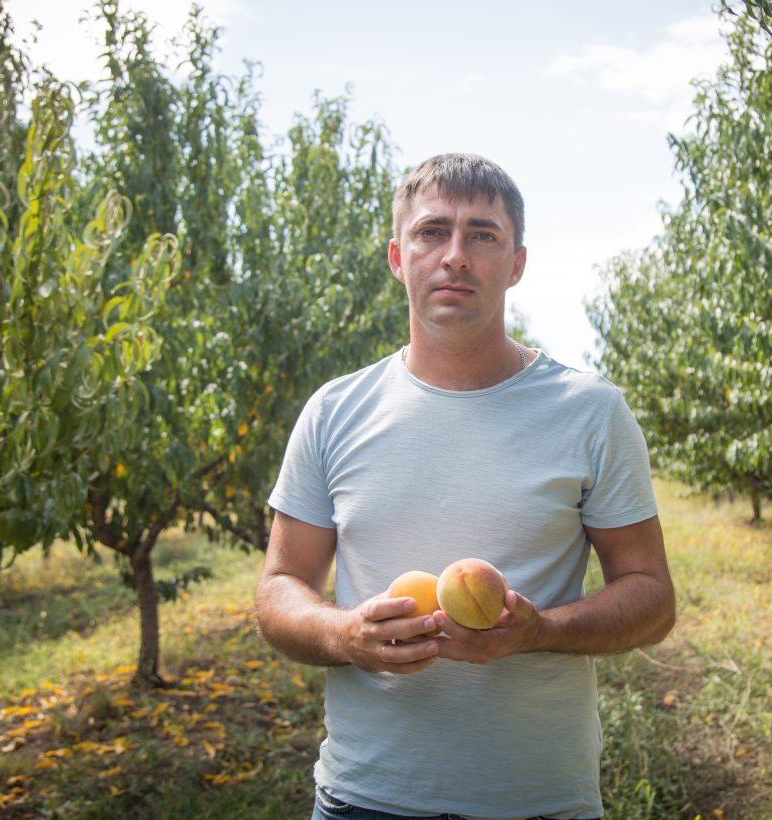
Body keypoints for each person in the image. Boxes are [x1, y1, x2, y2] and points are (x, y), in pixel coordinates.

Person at [253, 153, 676, 820]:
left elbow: (652, 598)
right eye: (431, 232)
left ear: (517, 264)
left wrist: (536, 630)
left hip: (539, 803)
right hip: (364, 799)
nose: (455, 256)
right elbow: (278, 587)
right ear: (398, 257)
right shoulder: (335, 412)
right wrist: (344, 635)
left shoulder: (590, 411)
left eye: (483, 235)